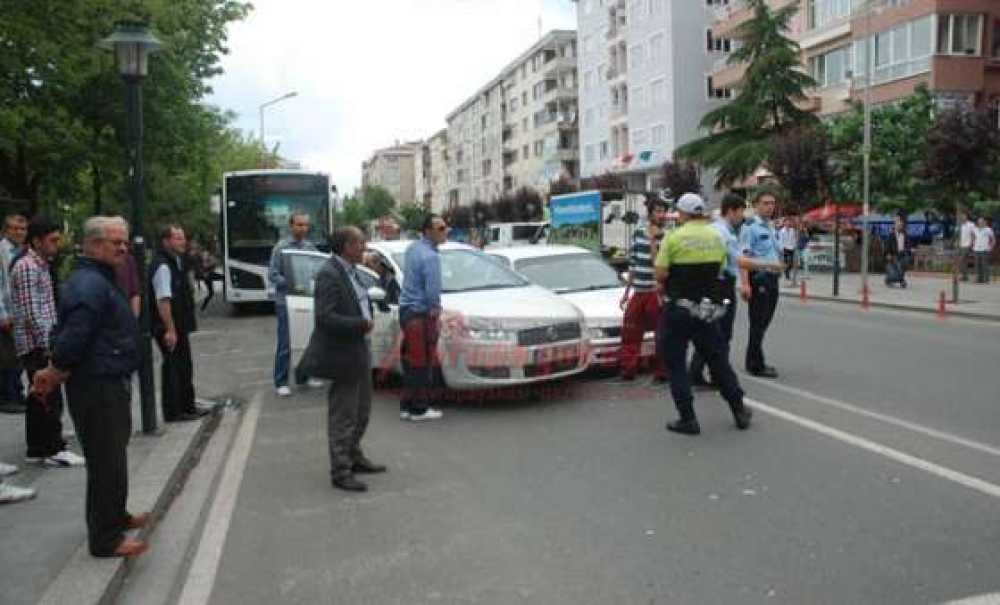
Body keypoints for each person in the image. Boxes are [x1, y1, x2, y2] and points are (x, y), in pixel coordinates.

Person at [33, 216, 149, 557]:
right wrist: (56, 369)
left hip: (108, 380)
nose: (124, 248)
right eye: (117, 242)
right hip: (97, 386)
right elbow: (73, 337)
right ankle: (105, 539)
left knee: (113, 455)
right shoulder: (89, 284)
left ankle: (116, 516)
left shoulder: (99, 278)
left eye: (125, 242)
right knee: (105, 461)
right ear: (94, 244)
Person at [654, 193, 752, 436]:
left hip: (677, 309)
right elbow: (722, 268)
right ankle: (739, 409)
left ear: (683, 213)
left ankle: (688, 418)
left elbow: (660, 274)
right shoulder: (716, 237)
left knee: (676, 363)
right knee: (718, 360)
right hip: (705, 310)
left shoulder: (673, 237)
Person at [298, 227, 386, 492]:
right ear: (347, 246)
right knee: (343, 415)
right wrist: (359, 324)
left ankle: (354, 456)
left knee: (362, 410)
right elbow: (324, 317)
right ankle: (340, 471)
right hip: (342, 353)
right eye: (360, 243)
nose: (365, 247)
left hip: (359, 348)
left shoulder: (352, 271)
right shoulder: (329, 274)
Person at [11, 216, 84, 467]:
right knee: (49, 394)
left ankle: (38, 447)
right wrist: (49, 345)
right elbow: (32, 312)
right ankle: (52, 448)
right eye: (52, 240)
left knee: (39, 394)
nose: (57, 244)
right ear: (36, 241)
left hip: (41, 340)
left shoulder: (41, 265)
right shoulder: (27, 267)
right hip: (36, 344)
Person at [690, 193, 747, 388]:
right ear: (731, 211)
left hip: (711, 284)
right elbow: (738, 261)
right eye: (741, 212)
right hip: (722, 285)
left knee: (710, 329)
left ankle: (696, 371)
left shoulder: (713, 229)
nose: (742, 216)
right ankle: (718, 375)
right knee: (722, 333)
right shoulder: (723, 233)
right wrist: (767, 265)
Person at [150, 224, 205, 423]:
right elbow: (163, 300)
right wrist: (170, 329)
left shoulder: (176, 262)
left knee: (183, 365)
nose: (183, 242)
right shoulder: (163, 266)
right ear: (166, 241)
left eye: (183, 237)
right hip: (171, 326)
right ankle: (176, 410)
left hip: (180, 323)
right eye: (178, 238)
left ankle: (186, 405)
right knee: (174, 367)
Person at [398, 214, 448, 422]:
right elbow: (432, 290)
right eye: (441, 228)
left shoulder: (413, 248)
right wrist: (435, 309)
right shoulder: (431, 257)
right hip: (420, 314)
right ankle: (419, 409)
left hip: (406, 311)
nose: (446, 231)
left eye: (445, 227)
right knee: (422, 363)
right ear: (428, 231)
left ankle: (407, 406)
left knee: (411, 362)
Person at [268, 211, 322, 397]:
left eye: (306, 225)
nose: (303, 228)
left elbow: (318, 270)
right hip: (287, 301)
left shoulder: (309, 247)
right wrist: (291, 282)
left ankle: (304, 376)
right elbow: (273, 274)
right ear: (291, 226)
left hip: (307, 300)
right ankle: (281, 381)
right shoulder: (281, 248)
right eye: (299, 225)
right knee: (286, 343)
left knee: (308, 340)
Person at [617, 196, 669, 383]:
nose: (661, 215)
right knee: (630, 332)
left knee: (661, 334)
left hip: (655, 292)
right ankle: (628, 369)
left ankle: (662, 371)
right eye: (658, 211)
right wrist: (626, 293)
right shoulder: (638, 233)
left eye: (663, 212)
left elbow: (659, 264)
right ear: (650, 213)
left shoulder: (667, 236)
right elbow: (633, 263)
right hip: (638, 291)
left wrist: (654, 241)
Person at [739, 188, 785, 378]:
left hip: (772, 278)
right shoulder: (750, 227)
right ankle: (755, 364)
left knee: (764, 322)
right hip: (759, 279)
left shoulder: (771, 226)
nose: (770, 207)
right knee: (758, 323)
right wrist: (745, 284)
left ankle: (754, 359)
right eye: (765, 203)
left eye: (772, 203)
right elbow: (744, 257)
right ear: (756, 205)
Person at [0, 213, 28, 414]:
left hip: (18, 313)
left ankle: (16, 393)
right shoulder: (2, 251)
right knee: (6, 358)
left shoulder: (23, 251)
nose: (19, 232)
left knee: (17, 357)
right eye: (15, 228)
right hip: (6, 313)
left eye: (23, 229)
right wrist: (2, 314)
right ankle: (6, 397)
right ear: (5, 230)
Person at [884, 215, 911, 288]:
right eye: (898, 224)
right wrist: (888, 254)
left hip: (903, 254)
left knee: (905, 262)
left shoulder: (905, 235)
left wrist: (908, 251)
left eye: (901, 224)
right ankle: (900, 280)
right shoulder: (891, 235)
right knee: (898, 265)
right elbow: (887, 247)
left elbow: (908, 246)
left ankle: (898, 279)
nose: (900, 225)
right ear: (895, 225)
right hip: (894, 255)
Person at [973, 216, 996, 284]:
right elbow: (974, 237)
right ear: (977, 222)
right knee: (977, 266)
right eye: (979, 221)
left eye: (981, 221)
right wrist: (973, 245)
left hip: (985, 249)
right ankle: (979, 279)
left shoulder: (988, 230)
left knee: (985, 265)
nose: (980, 223)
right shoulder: (975, 229)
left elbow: (993, 239)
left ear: (984, 222)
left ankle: (986, 279)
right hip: (976, 249)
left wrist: (990, 247)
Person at [778, 217, 797, 281]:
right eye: (786, 222)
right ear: (784, 223)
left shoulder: (792, 230)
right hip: (785, 248)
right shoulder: (781, 231)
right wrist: (781, 248)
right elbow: (781, 240)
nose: (787, 223)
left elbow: (794, 239)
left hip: (791, 247)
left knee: (791, 262)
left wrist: (794, 245)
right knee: (786, 261)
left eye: (789, 222)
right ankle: (787, 274)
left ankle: (787, 271)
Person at [959, 211, 976, 282]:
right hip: (960, 245)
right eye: (962, 216)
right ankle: (965, 276)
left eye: (964, 215)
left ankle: (965, 276)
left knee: (961, 260)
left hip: (967, 244)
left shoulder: (971, 224)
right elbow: (958, 235)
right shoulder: (960, 225)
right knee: (964, 261)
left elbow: (974, 234)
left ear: (967, 216)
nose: (963, 217)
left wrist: (972, 243)